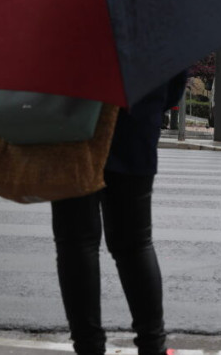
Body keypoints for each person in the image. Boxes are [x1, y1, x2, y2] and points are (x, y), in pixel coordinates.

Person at [51, 72, 186, 355]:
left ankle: (88, 348)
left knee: (76, 243)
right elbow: (174, 77)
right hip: (134, 121)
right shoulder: (153, 25)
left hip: (71, 120)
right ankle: (152, 345)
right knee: (135, 244)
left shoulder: (59, 26)